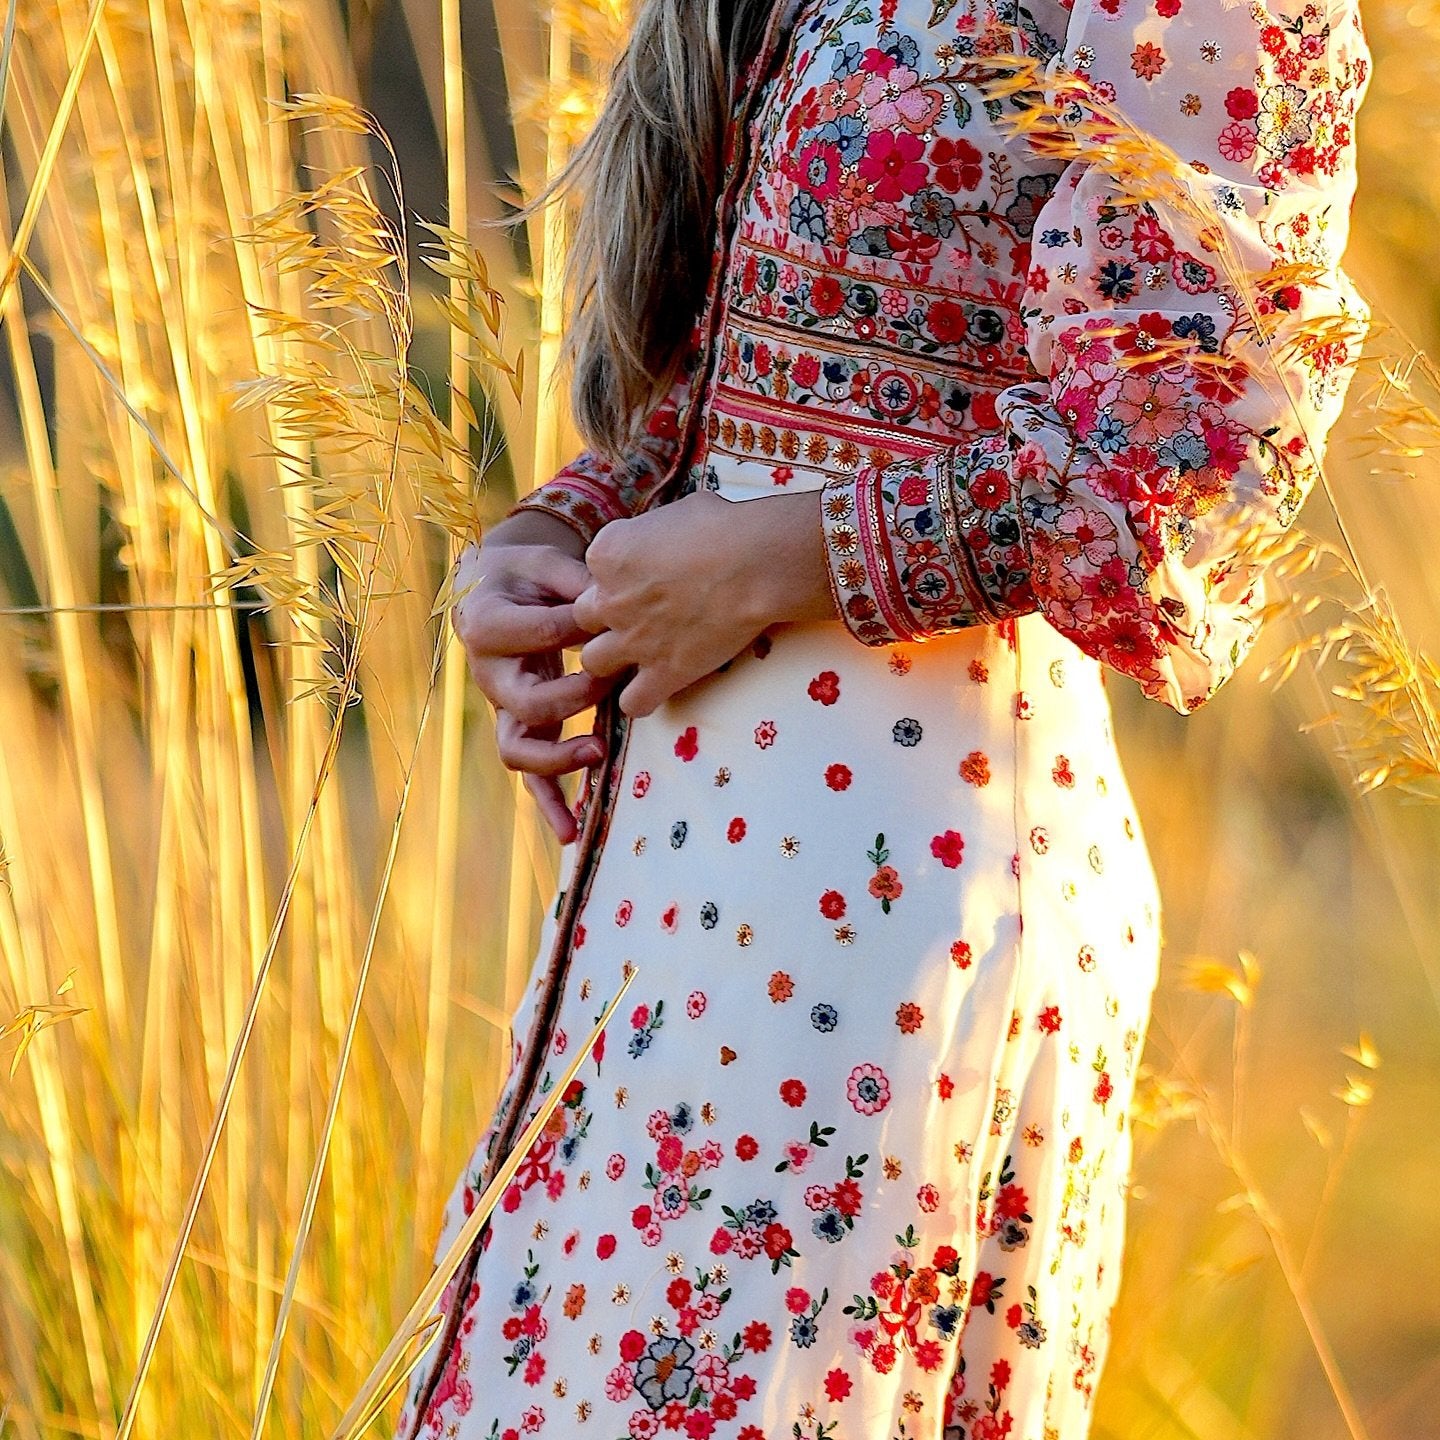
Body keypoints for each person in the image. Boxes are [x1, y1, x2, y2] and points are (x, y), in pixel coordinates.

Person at [396, 0, 1370, 1436]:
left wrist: (788, 558)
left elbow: (1199, 442)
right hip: (676, 881)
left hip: (902, 889)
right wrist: (561, 542)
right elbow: (740, 382)